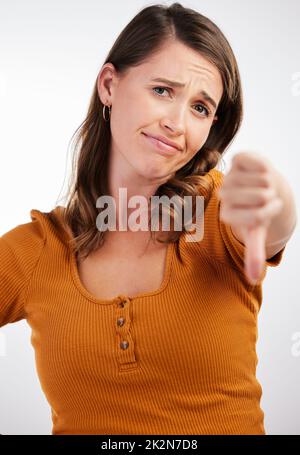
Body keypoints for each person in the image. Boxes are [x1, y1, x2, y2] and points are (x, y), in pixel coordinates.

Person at [0, 2, 297, 435]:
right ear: (109, 84)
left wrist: (278, 202)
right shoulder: (37, 250)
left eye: (199, 108)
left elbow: (272, 225)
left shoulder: (216, 214)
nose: (177, 123)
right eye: (162, 90)